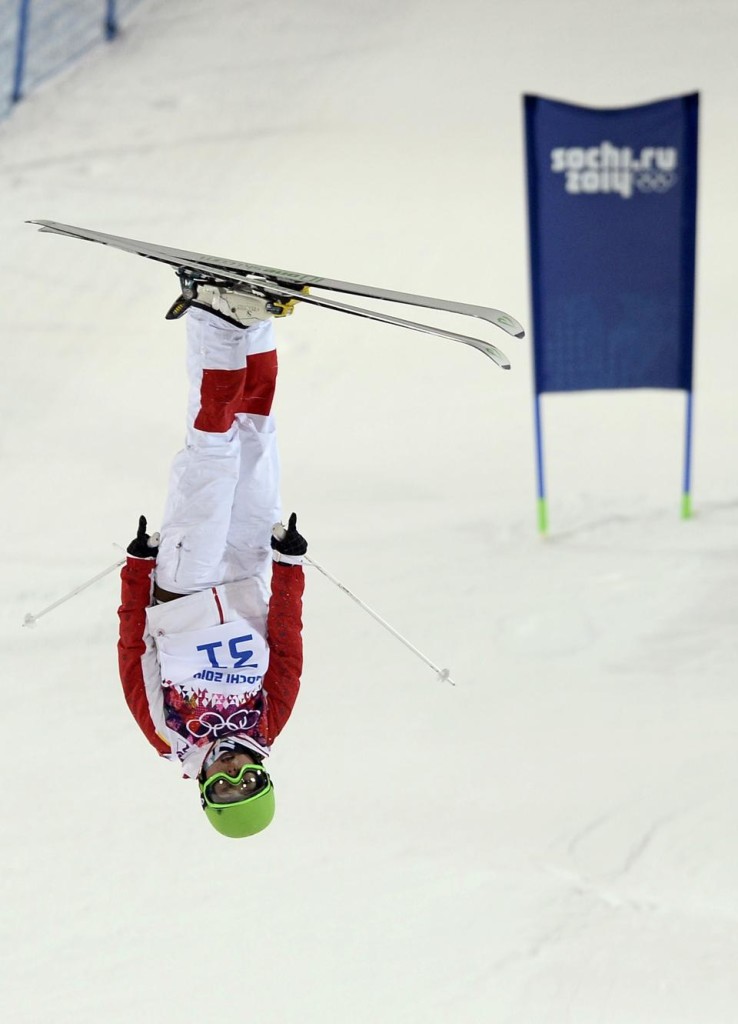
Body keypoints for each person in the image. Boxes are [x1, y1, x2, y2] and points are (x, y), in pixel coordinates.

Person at [117, 280, 308, 839]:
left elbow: (134, 653)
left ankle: (214, 323)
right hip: (249, 577)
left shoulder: (168, 735)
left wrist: (137, 572)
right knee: (255, 445)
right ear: (263, 777)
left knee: (213, 451)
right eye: (248, 781)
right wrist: (290, 569)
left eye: (225, 787)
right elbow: (288, 646)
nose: (233, 772)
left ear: (205, 793)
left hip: (184, 586)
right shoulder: (269, 722)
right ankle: (254, 324)